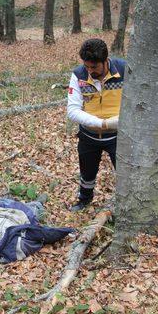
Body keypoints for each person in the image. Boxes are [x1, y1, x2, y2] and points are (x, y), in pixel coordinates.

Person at [66, 38, 126, 211]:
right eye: (87, 66)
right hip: (89, 135)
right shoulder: (79, 75)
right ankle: (84, 200)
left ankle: (124, 202)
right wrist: (104, 123)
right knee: (87, 172)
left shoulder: (123, 70)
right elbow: (73, 110)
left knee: (124, 172)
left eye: (94, 67)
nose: (90, 71)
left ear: (105, 61)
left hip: (118, 136)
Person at [0, 197, 74, 267]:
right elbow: (39, 235)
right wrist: (65, 231)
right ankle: (41, 200)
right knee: (37, 205)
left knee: (2, 198)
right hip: (23, 213)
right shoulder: (12, 246)